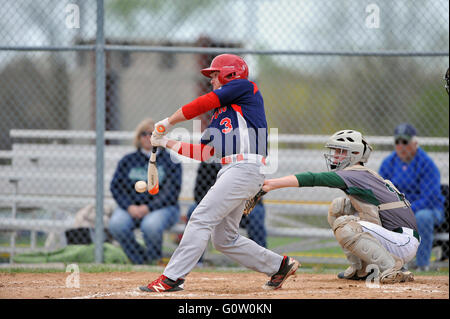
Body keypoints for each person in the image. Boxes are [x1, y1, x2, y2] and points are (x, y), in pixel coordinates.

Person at [139, 54, 299, 293]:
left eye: (215, 75)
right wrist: (166, 142)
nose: (212, 80)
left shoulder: (246, 88)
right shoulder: (219, 115)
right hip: (231, 170)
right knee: (224, 239)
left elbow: (201, 103)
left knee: (201, 218)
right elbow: (205, 153)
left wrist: (168, 121)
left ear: (230, 74)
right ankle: (279, 266)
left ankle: (172, 278)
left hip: (245, 167)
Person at [260, 130, 418, 284]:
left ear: (355, 154)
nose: (335, 155)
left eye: (340, 151)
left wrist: (270, 184)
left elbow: (313, 178)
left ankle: (392, 268)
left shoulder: (355, 174)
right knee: (338, 207)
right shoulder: (361, 173)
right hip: (396, 237)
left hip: (402, 241)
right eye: (335, 151)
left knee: (344, 225)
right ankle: (361, 269)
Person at [108, 118, 182, 264]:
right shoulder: (128, 160)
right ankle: (139, 259)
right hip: (131, 207)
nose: (148, 137)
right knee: (117, 224)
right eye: (144, 134)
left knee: (151, 225)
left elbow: (172, 191)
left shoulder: (169, 160)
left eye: (152, 134)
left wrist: (148, 208)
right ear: (138, 137)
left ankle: (154, 259)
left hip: (163, 208)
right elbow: (116, 187)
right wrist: (129, 206)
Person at [379, 123, 445, 271]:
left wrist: (405, 210)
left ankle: (422, 265)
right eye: (397, 142)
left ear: (415, 143)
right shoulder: (388, 163)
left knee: (423, 217)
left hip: (427, 209)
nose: (401, 146)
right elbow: (381, 190)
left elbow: (430, 198)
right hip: (397, 208)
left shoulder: (426, 164)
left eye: (405, 142)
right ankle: (393, 264)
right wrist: (394, 209)